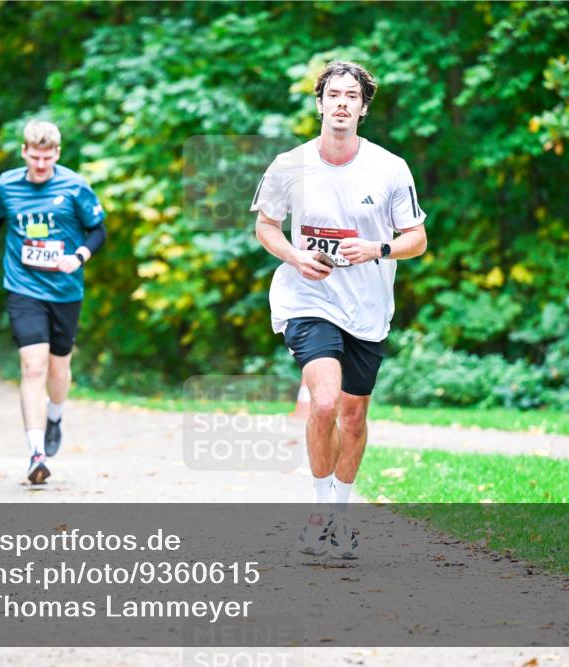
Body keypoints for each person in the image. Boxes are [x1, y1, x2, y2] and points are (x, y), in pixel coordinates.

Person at [251, 61, 429, 558]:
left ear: (363, 108)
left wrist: (378, 249)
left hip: (368, 307)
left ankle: (340, 515)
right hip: (308, 298)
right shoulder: (289, 165)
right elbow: (266, 226)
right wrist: (295, 256)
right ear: (320, 103)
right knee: (325, 402)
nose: (342, 103)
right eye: (334, 95)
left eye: (352, 96)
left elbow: (417, 238)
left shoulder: (389, 168)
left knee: (352, 416)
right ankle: (318, 515)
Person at [0, 120, 107, 484]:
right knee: (33, 367)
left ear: (57, 154)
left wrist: (80, 256)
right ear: (24, 152)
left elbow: (98, 230)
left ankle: (55, 416)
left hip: (65, 291)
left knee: (58, 369)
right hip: (23, 287)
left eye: (47, 157)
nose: (41, 164)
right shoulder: (7, 185)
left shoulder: (75, 186)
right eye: (35, 157)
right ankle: (36, 453)